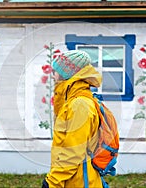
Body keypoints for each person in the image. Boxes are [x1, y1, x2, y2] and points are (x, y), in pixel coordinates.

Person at [42, 50, 103, 188]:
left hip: (80, 181)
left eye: (56, 71)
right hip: (73, 179)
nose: (53, 75)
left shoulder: (79, 105)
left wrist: (52, 182)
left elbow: (73, 151)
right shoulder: (73, 101)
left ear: (67, 73)